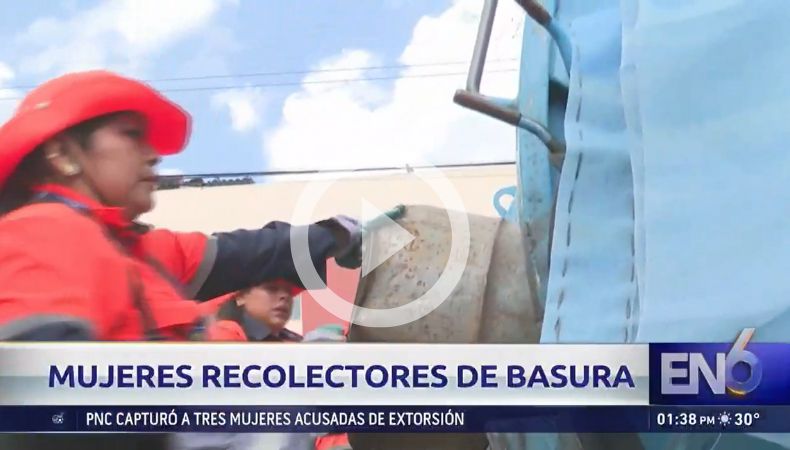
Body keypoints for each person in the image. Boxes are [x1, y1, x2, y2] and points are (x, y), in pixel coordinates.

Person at [0, 70, 363, 449]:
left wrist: (337, 235)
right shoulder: (39, 231)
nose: (154, 155)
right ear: (62, 155)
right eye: (131, 135)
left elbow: (247, 252)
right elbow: (37, 410)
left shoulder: (143, 251)